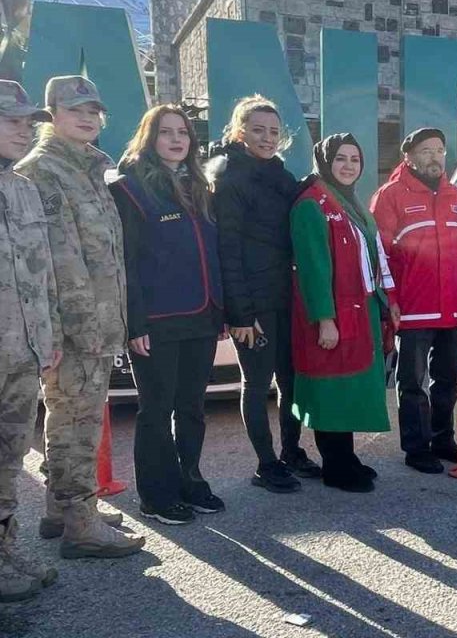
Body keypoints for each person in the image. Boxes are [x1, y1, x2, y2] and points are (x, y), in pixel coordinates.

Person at [17, 75, 144, 558]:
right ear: (51, 115)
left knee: (69, 417)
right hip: (74, 327)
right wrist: (82, 329)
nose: (88, 118)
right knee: (78, 424)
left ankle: (62, 509)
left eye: (94, 111)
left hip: (98, 319)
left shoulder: (93, 166)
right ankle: (81, 525)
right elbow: (59, 260)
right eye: (75, 110)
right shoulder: (43, 170)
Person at [110, 104, 225, 524]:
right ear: (148, 137)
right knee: (156, 411)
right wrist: (134, 321)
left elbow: (212, 252)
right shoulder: (130, 188)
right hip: (157, 321)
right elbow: (126, 261)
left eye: (183, 132)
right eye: (165, 132)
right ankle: (156, 495)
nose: (177, 139)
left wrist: (221, 309)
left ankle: (189, 480)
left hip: (201, 315)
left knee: (192, 407)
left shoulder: (200, 185)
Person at [208, 95, 317, 493]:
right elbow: (227, 251)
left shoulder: (280, 176)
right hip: (253, 304)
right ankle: (265, 465)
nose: (267, 138)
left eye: (273, 131)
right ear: (240, 132)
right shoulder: (230, 179)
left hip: (286, 297)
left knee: (291, 382)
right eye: (258, 130)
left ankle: (291, 452)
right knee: (256, 384)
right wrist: (240, 314)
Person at [290, 134, 395, 493]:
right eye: (340, 158)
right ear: (325, 162)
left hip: (357, 310)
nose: (349, 165)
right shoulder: (312, 204)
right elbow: (313, 268)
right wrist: (325, 319)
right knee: (332, 390)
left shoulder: (349, 201)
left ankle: (346, 457)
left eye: (354, 159)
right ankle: (335, 467)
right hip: (332, 316)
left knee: (349, 388)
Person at [371, 128, 457, 474]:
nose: (434, 157)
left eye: (439, 150)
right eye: (426, 150)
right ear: (409, 157)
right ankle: (416, 447)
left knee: (448, 379)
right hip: (413, 307)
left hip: (452, 307)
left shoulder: (456, 196)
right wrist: (391, 300)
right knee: (412, 382)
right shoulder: (390, 196)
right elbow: (379, 255)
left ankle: (442, 439)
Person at [0, 80, 60, 601]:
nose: (24, 130)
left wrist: (47, 334)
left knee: (9, 455)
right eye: (10, 120)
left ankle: (4, 548)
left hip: (21, 351)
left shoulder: (22, 187)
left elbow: (41, 273)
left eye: (27, 121)